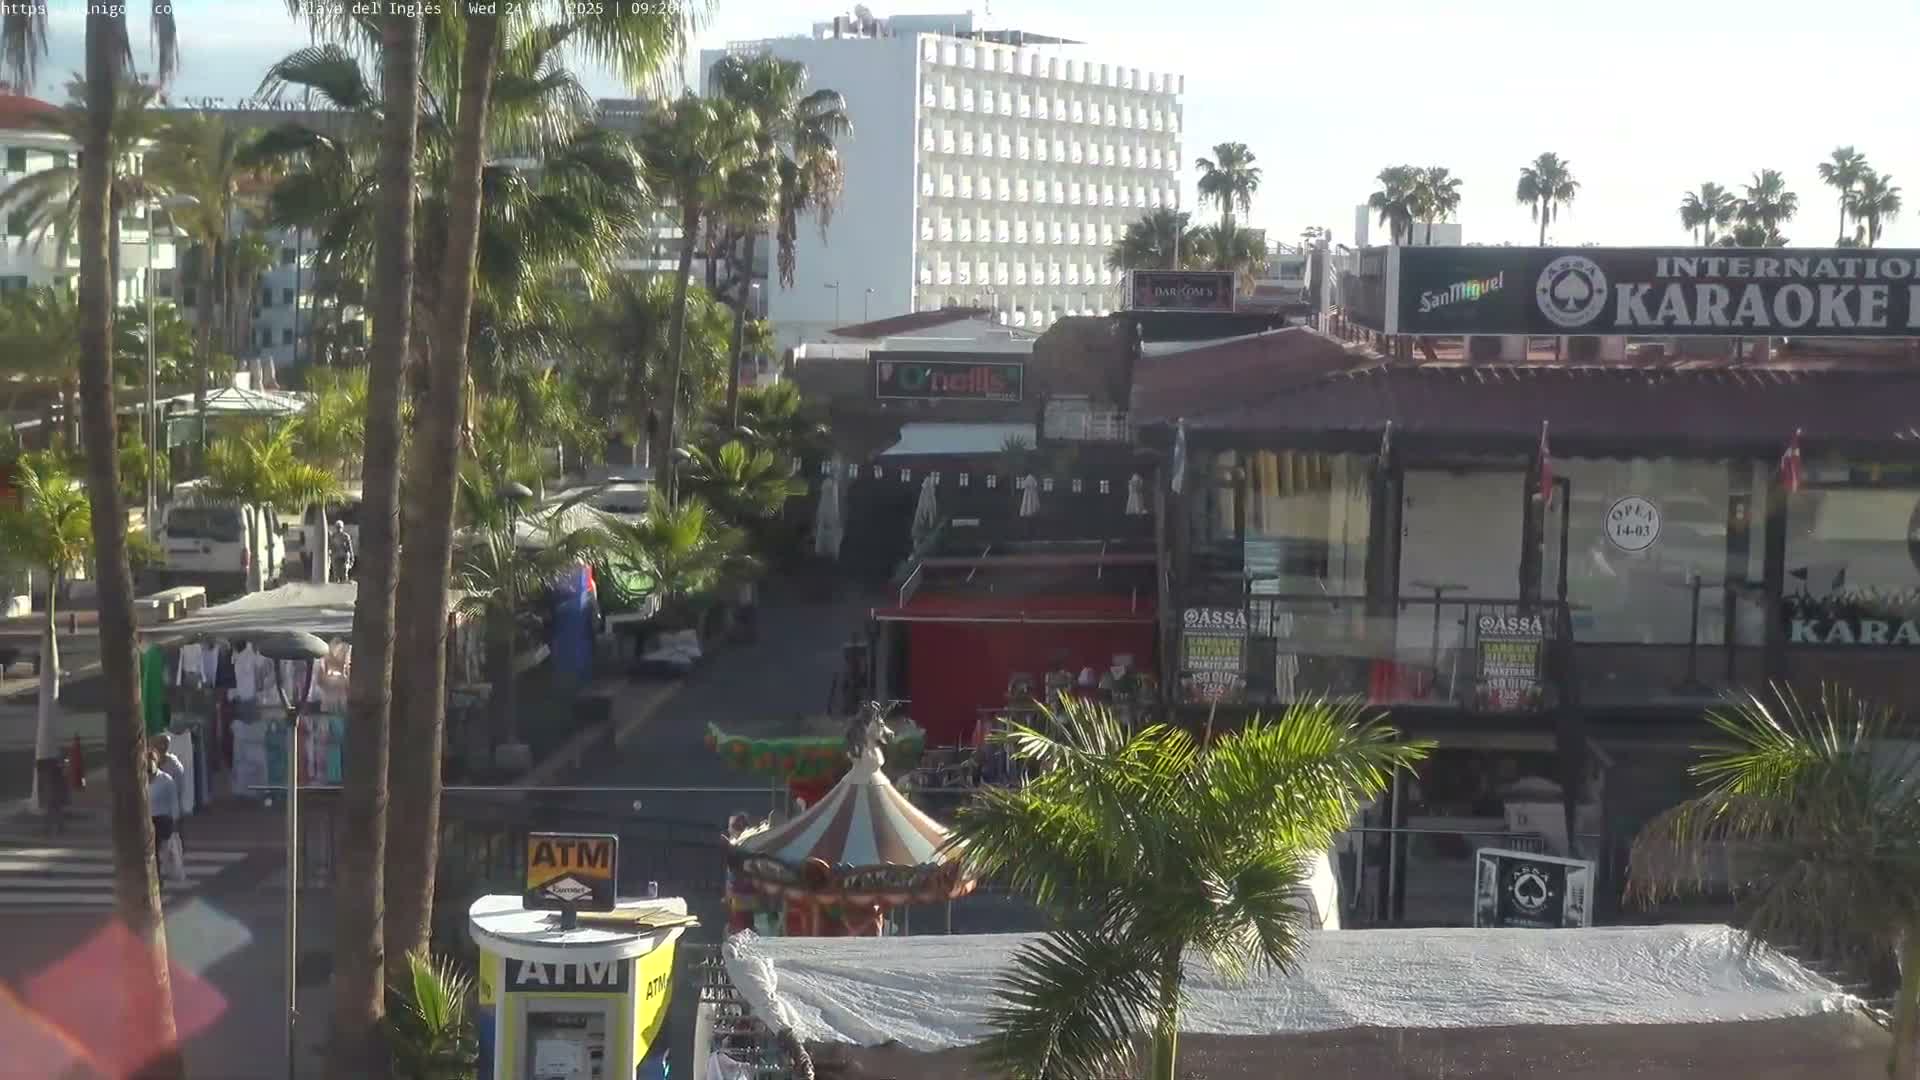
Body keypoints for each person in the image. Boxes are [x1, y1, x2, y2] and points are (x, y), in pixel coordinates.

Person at [147, 753, 179, 886]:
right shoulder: (139, 780)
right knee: (150, 852)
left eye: (152, 761)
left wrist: (174, 822)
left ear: (157, 761)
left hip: (162, 820)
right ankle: (154, 877)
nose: (150, 765)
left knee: (156, 850)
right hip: (146, 820)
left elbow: (174, 802)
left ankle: (158, 877)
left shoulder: (166, 780)